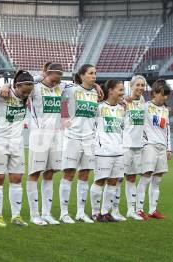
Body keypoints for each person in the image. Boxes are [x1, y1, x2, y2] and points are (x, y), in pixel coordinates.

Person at [0, 70, 34, 228]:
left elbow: (44, 77)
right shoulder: (2, 94)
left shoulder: (28, 92)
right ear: (17, 85)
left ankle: (16, 216)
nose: (25, 95)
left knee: (16, 180)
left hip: (18, 143)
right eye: (23, 91)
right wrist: (5, 85)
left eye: (28, 91)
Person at [59, 64, 99, 224]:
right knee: (68, 174)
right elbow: (58, 95)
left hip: (89, 139)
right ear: (82, 75)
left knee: (84, 175)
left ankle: (80, 212)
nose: (94, 76)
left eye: (95, 74)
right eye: (90, 73)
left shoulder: (96, 93)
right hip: (73, 137)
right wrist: (63, 120)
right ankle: (63, 213)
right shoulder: (71, 89)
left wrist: (95, 86)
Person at [26, 63, 65, 226]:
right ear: (47, 73)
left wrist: (97, 85)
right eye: (54, 78)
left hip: (56, 136)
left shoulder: (61, 87)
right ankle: (34, 214)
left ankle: (46, 213)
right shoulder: (35, 87)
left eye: (59, 79)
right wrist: (39, 76)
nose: (56, 82)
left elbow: (80, 85)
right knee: (34, 174)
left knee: (49, 174)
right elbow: (21, 81)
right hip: (39, 136)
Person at [136, 79, 172, 220]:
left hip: (162, 147)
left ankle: (152, 210)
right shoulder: (145, 106)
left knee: (157, 179)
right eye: (163, 94)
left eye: (167, 95)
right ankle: (139, 209)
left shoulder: (165, 110)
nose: (165, 97)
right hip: (149, 145)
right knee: (146, 176)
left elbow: (167, 130)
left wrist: (168, 148)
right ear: (155, 93)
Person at [90, 79, 125, 222]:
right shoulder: (98, 107)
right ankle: (95, 212)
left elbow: (122, 128)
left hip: (118, 150)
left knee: (113, 182)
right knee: (99, 180)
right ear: (110, 90)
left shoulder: (122, 109)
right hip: (103, 150)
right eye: (120, 90)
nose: (122, 93)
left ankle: (105, 212)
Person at [121, 75, 147, 221]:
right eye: (138, 85)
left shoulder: (142, 101)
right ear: (131, 86)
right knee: (117, 179)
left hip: (138, 146)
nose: (140, 88)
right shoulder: (124, 101)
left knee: (131, 178)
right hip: (125, 145)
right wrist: (123, 99)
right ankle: (112, 210)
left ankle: (131, 210)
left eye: (143, 85)